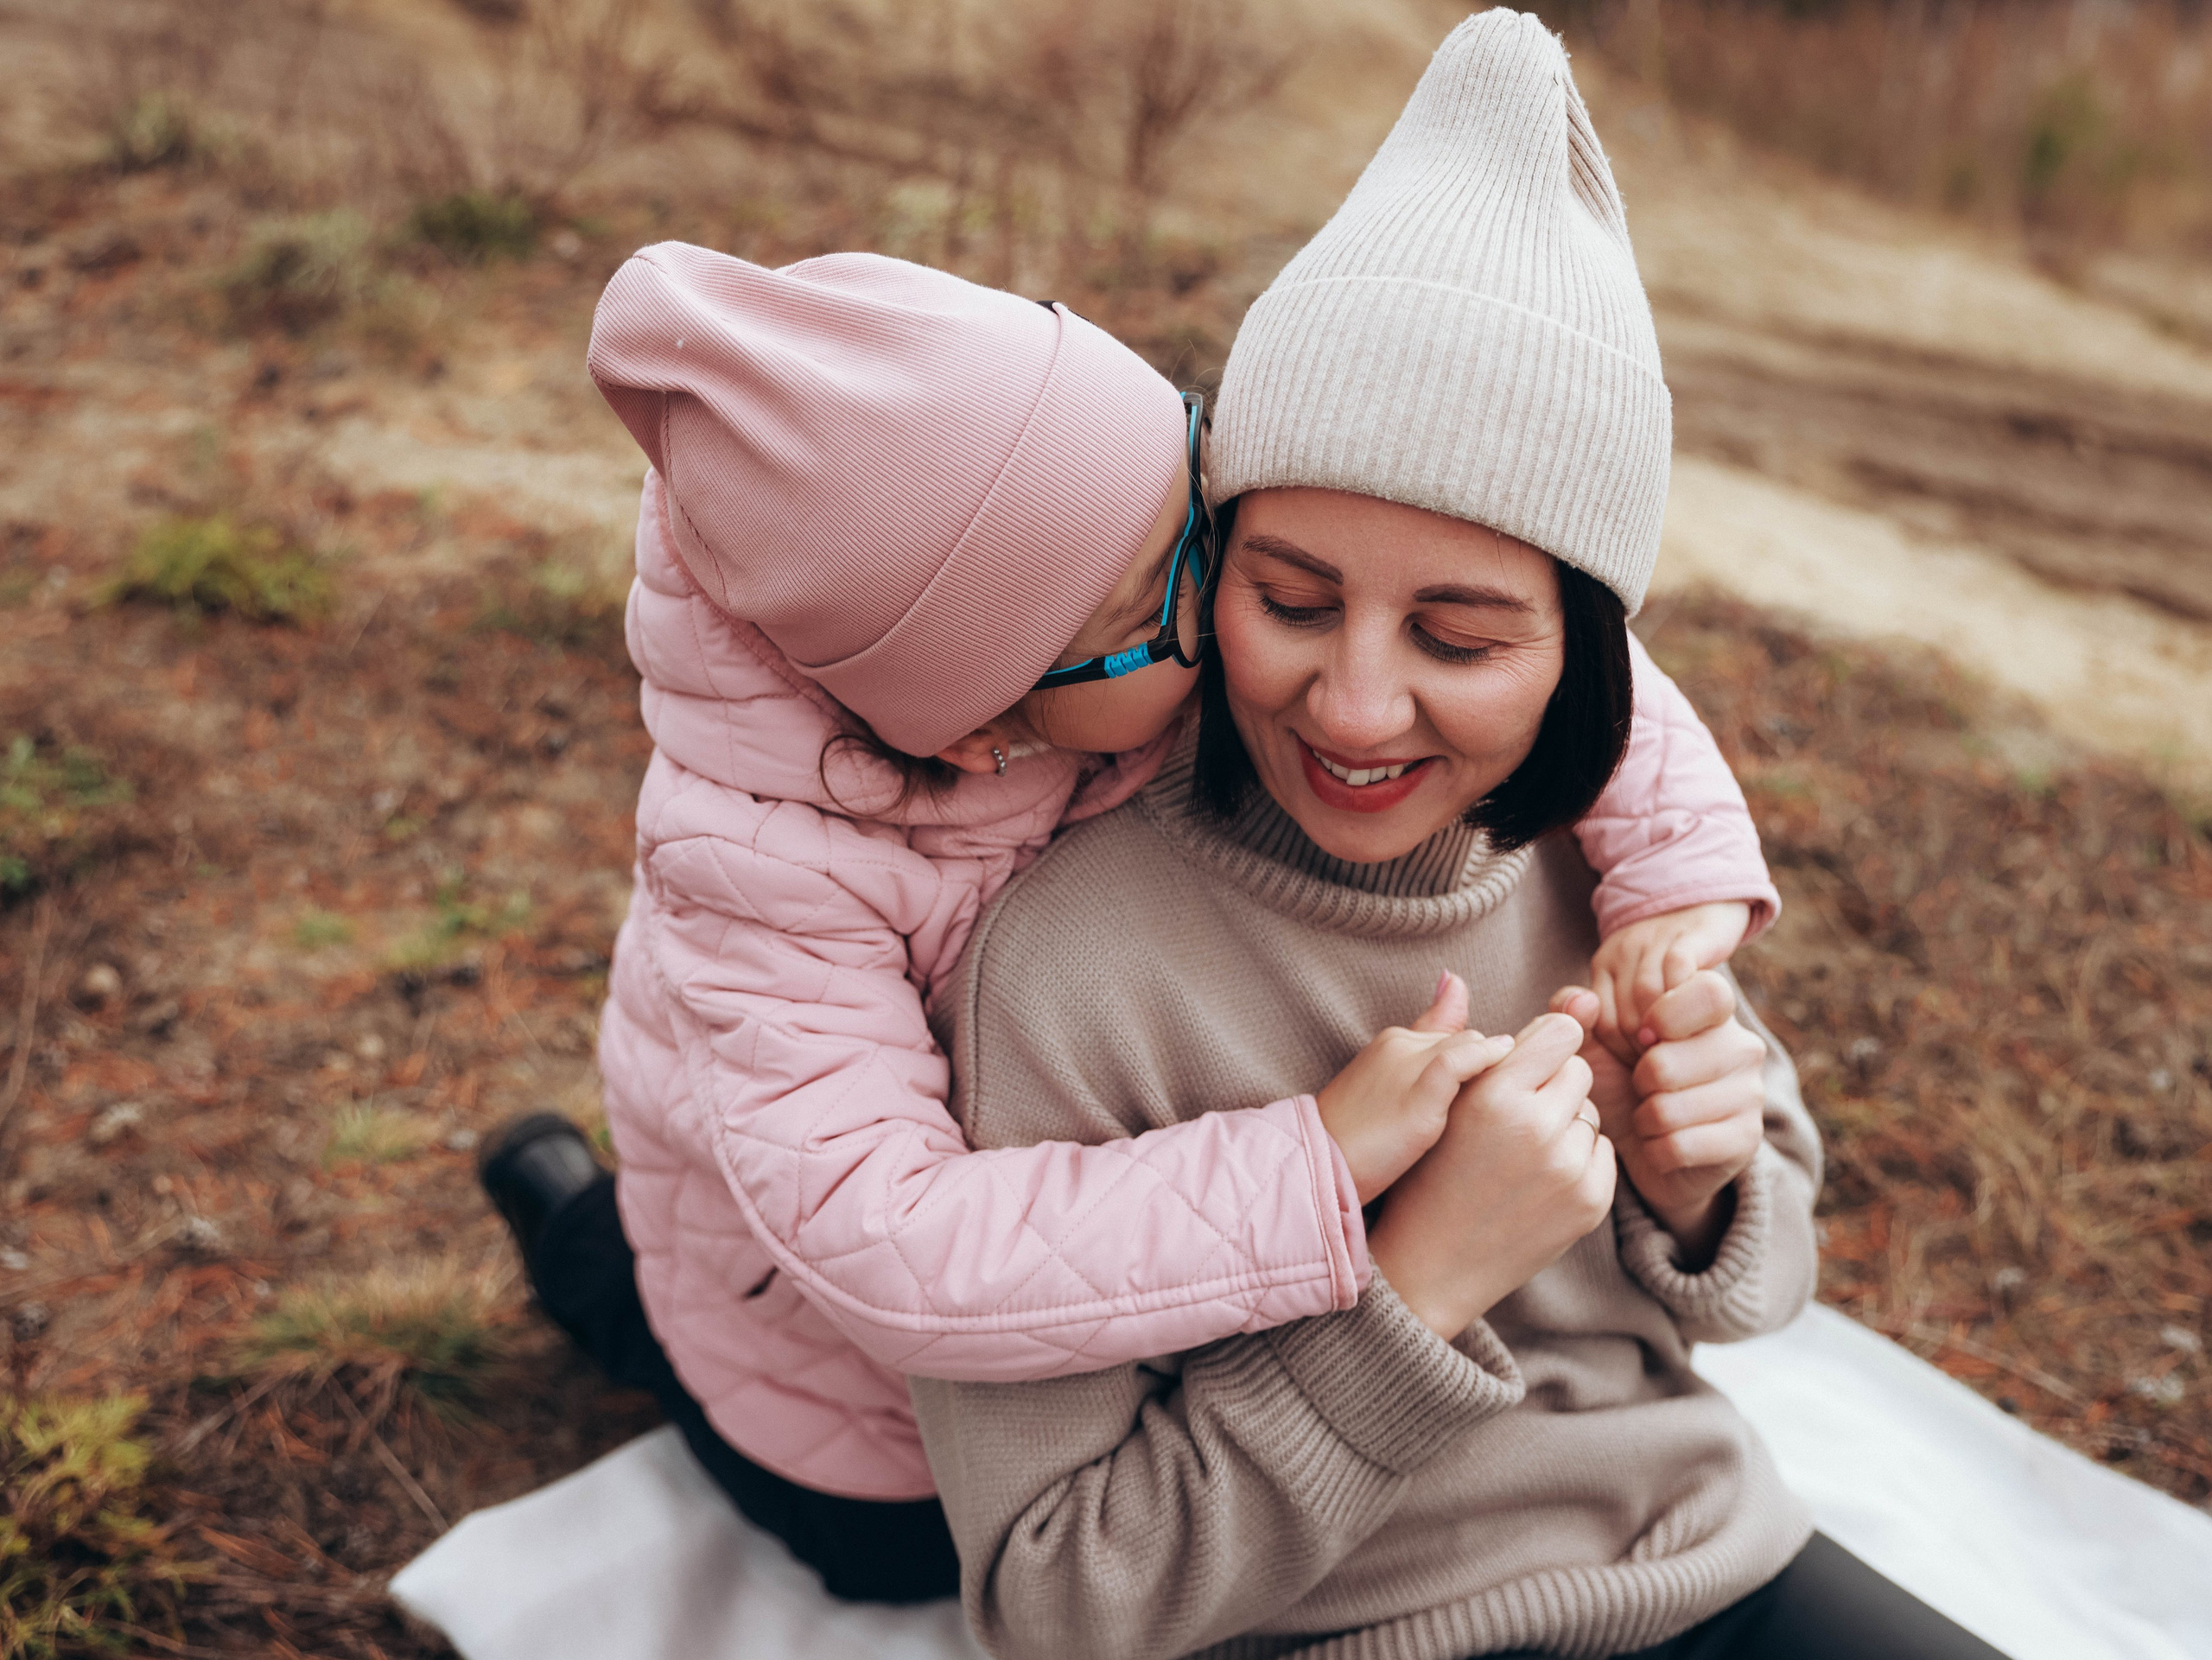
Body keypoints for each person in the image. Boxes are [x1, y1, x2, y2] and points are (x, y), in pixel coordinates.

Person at [906, 13, 2009, 1658]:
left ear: (1587, 656)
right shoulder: (1061, 978)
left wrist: (1700, 1178)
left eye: (1459, 639)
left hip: (1703, 1556)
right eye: (1291, 600)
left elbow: (1763, 1288)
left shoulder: (1601, 859)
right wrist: (1416, 1284)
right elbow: (1061, 1594)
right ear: (1211, 567)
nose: (1354, 708)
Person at [477, 228, 1777, 1599]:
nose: (1224, 610)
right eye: (1182, 595)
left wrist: (1679, 881)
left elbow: (1550, 640)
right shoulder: (770, 875)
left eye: (1208, 535)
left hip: (1060, 1231)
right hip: (829, 1344)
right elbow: (896, 1242)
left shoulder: (1108, 551)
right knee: (860, 1514)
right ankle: (582, 1248)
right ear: (983, 730)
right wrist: (1311, 1169)